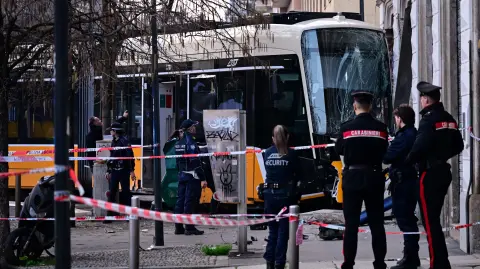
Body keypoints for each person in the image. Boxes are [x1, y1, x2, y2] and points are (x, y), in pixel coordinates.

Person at [405, 82, 464, 269]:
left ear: (425, 99)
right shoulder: (449, 118)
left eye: (421, 97)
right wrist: (442, 155)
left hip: (429, 174)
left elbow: (419, 147)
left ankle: (437, 264)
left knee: (430, 223)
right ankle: (442, 261)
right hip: (443, 172)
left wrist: (406, 162)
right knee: (434, 220)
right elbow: (459, 145)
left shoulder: (428, 120)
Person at [334, 91, 389, 269]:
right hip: (374, 177)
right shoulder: (381, 128)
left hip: (352, 178)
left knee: (351, 224)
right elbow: (384, 151)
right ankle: (379, 263)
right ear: (370, 106)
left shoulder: (346, 128)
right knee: (377, 224)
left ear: (354, 106)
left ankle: (348, 263)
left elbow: (339, 150)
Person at [383, 104, 419, 269]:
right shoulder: (414, 133)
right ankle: (412, 256)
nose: (395, 120)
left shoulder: (404, 136)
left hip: (403, 182)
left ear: (401, 119)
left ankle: (410, 258)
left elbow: (388, 157)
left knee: (405, 220)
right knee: (409, 219)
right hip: (410, 181)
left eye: (396, 117)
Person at [262, 125, 302, 269]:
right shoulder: (291, 154)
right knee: (283, 232)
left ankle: (269, 262)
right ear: (287, 137)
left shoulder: (267, 153)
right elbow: (298, 173)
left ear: (273, 138)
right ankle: (280, 263)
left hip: (269, 196)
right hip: (285, 197)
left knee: (272, 231)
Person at [174, 119, 208, 236]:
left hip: (182, 175)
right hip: (192, 176)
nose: (195, 128)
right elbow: (195, 162)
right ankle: (189, 227)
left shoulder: (178, 142)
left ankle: (178, 227)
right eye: (194, 126)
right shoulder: (190, 142)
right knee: (190, 201)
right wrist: (203, 178)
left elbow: (177, 162)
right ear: (189, 128)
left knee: (180, 201)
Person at [104, 122, 136, 222]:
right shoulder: (114, 141)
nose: (110, 132)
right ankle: (109, 216)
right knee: (111, 193)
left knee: (126, 193)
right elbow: (112, 157)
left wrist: (131, 171)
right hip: (114, 171)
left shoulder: (124, 141)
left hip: (123, 171)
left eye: (112, 130)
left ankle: (129, 216)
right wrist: (108, 170)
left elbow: (130, 157)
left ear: (116, 131)